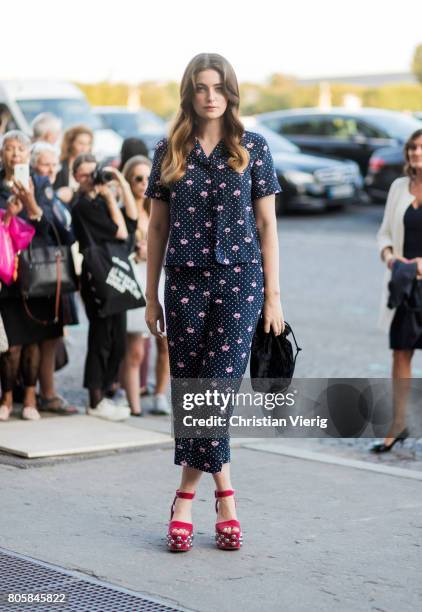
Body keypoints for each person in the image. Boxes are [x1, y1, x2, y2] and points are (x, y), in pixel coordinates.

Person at [144, 53, 284, 551]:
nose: (210, 95)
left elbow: (267, 226)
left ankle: (186, 497)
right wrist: (151, 294)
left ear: (230, 92)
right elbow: (157, 227)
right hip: (182, 284)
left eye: (218, 87)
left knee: (214, 393)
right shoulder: (168, 149)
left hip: (240, 282)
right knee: (192, 393)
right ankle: (225, 492)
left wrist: (273, 297)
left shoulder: (253, 148)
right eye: (201, 87)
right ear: (190, 92)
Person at [0, 131, 71, 421]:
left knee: (32, 340)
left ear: (28, 153)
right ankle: (6, 399)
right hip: (7, 272)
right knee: (11, 343)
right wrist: (7, 216)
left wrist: (30, 202)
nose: (15, 154)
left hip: (36, 270)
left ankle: (30, 396)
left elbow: (52, 229)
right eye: (9, 148)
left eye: (20, 149)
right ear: (2, 153)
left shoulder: (40, 183)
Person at [71, 153, 137, 421]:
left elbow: (131, 220)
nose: (90, 179)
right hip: (96, 273)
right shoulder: (81, 206)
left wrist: (119, 180)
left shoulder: (100, 199)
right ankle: (95, 398)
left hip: (114, 270)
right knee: (101, 337)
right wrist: (111, 197)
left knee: (118, 339)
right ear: (76, 176)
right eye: (84, 175)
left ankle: (108, 393)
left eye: (93, 173)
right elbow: (120, 232)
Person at [372, 128, 422, 453]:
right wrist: (390, 258)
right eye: (412, 148)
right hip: (405, 286)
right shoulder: (399, 187)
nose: (416, 153)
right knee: (400, 353)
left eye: (421, 148)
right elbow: (384, 234)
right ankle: (398, 423)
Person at [30, 142, 78, 414]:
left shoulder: (52, 195)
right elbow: (49, 227)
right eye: (44, 164)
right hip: (41, 271)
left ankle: (47, 392)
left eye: (53, 164)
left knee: (53, 334)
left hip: (58, 270)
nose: (49, 169)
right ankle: (42, 393)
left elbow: (66, 233)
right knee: (42, 334)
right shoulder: (37, 192)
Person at [120, 155, 170, 416]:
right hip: (134, 279)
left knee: (166, 343)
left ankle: (160, 394)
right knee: (135, 348)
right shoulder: (124, 211)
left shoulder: (158, 208)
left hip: (159, 278)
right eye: (136, 178)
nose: (143, 183)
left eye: (147, 178)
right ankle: (133, 403)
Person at [54, 125, 94, 206]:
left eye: (88, 144)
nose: (84, 148)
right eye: (80, 143)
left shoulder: (94, 165)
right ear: (71, 143)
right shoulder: (59, 165)